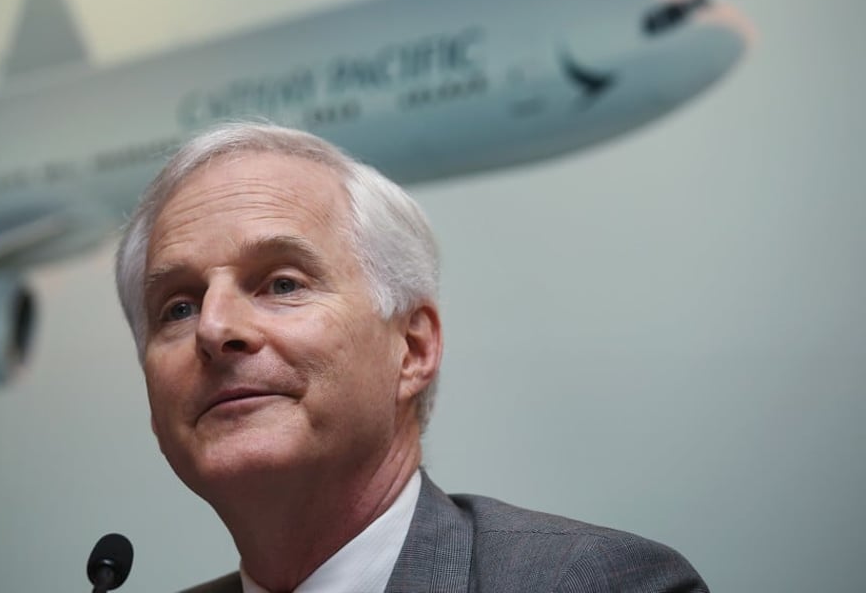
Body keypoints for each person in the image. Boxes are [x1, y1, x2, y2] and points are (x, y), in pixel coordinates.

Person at [115, 122, 708, 593]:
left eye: (283, 284)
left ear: (413, 349)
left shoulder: (598, 584)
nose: (215, 329)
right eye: (178, 308)